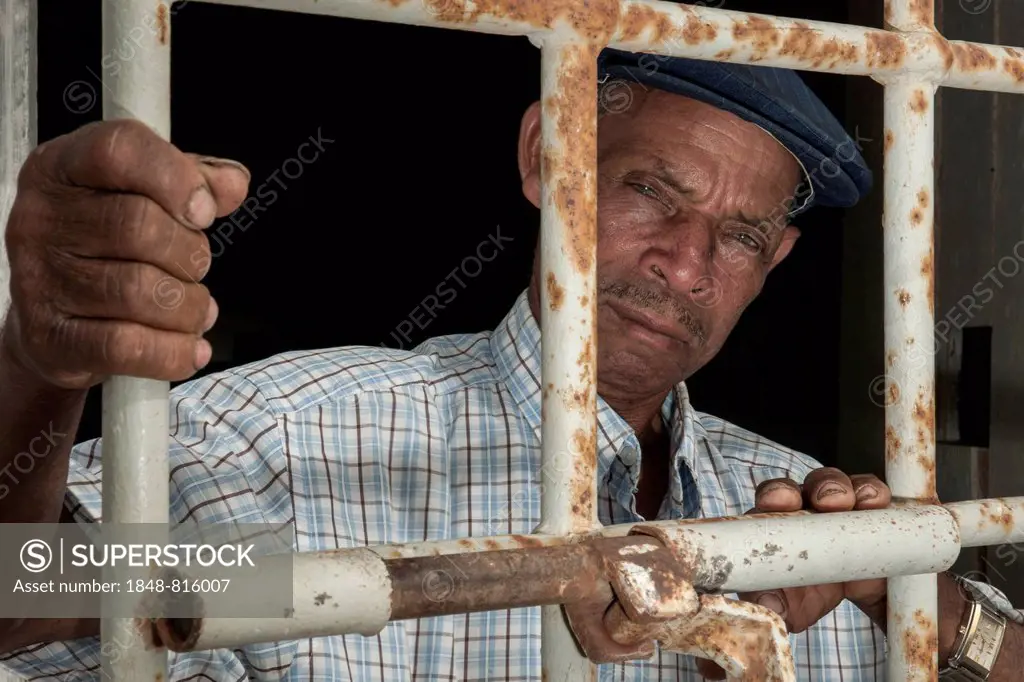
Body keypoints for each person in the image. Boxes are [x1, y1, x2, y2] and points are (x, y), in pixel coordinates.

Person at [0, 47, 1019, 681]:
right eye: (649, 192)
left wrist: (906, 596)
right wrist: (39, 367)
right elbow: (27, 589)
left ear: (776, 259)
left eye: (742, 235)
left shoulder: (812, 528)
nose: (685, 264)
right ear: (545, 156)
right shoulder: (286, 445)